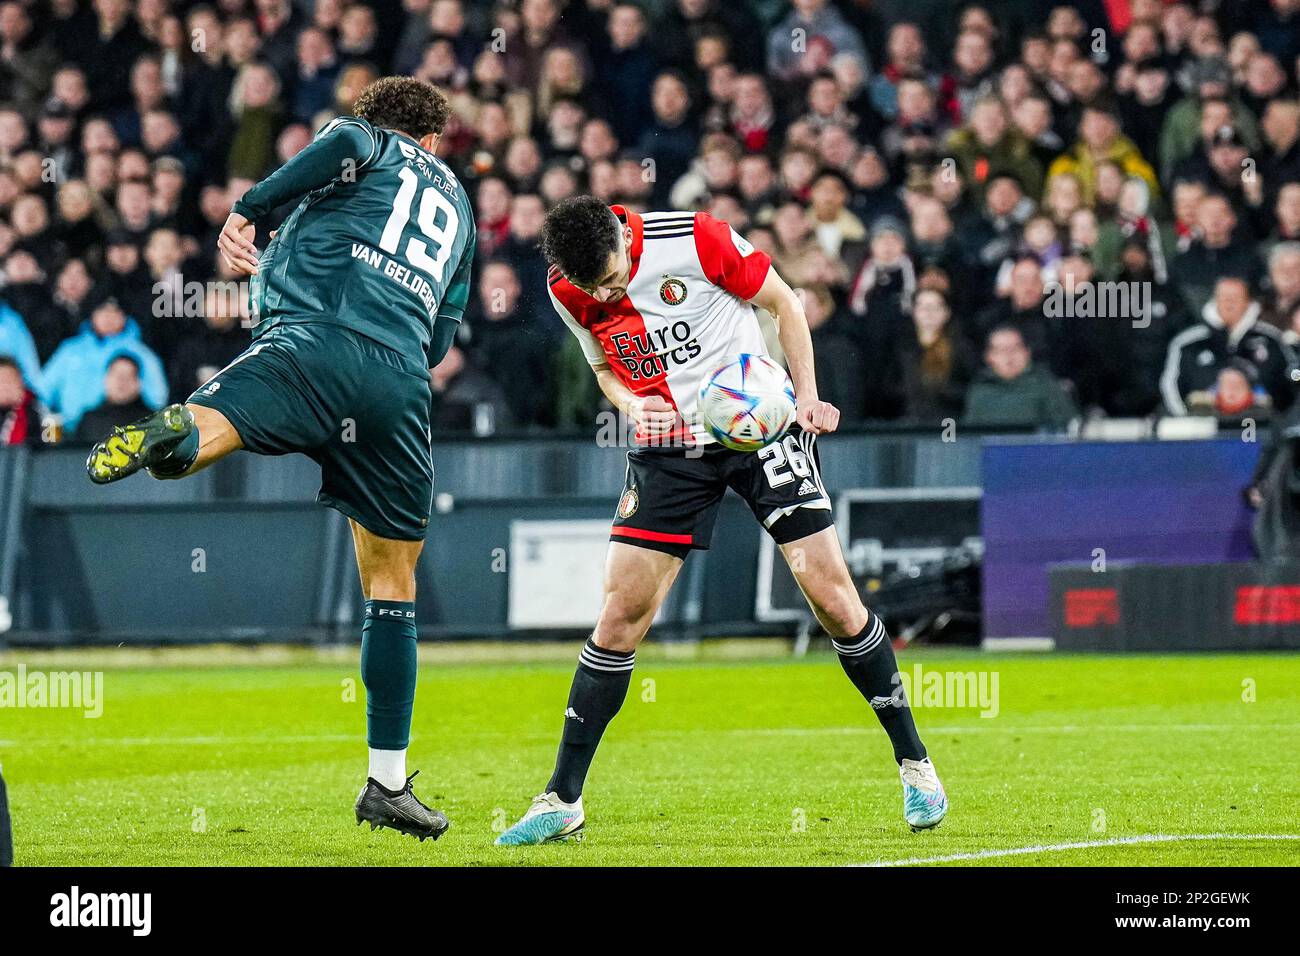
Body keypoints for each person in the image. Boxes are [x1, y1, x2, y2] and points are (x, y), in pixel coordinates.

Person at [83, 77, 476, 843]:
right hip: (395, 382)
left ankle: (180, 438)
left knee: (212, 425)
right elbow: (440, 343)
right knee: (393, 585)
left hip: (309, 343)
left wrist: (247, 210)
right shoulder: (459, 209)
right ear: (435, 138)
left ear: (384, 123)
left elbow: (333, 146)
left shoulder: (368, 139)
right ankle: (388, 783)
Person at [495, 197, 947, 847]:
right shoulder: (568, 283)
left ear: (626, 236)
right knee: (621, 613)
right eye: (593, 285)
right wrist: (630, 405)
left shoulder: (696, 238)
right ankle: (562, 799)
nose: (606, 290)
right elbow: (600, 364)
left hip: (758, 425)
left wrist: (809, 396)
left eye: (613, 275)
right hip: (668, 445)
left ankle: (916, 767)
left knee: (832, 598)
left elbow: (785, 303)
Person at [963, 325, 1077, 429]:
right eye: (1001, 350)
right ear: (989, 357)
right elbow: (970, 436)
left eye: (1015, 348)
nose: (1009, 355)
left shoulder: (1047, 386)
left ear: (1027, 353)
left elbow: (1068, 429)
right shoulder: (979, 391)